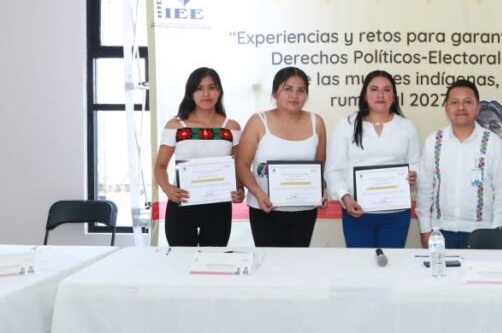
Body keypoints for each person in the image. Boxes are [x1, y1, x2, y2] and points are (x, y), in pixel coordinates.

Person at [325, 70, 420, 248]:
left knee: (392, 262)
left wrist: (415, 175)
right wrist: (345, 198)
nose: (380, 95)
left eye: (386, 90)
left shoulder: (406, 127)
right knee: (360, 264)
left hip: (396, 214)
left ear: (394, 96)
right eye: (374, 89)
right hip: (357, 211)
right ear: (365, 95)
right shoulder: (346, 125)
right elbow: (333, 170)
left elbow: (416, 163)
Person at [235, 67, 327, 247]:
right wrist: (258, 194)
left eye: (301, 90)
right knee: (269, 262)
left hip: (305, 210)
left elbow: (320, 165)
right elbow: (242, 165)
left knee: (297, 261)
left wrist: (322, 188)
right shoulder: (258, 121)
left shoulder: (317, 122)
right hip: (265, 209)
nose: (294, 95)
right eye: (288, 89)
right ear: (275, 92)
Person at [154, 67, 244, 247]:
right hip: (181, 203)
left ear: (219, 91)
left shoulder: (231, 127)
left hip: (218, 206)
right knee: (181, 260)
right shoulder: (175, 125)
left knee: (213, 260)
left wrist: (240, 189)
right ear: (190, 92)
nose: (206, 94)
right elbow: (160, 166)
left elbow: (238, 166)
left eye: (212, 87)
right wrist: (167, 188)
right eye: (199, 88)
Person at [416, 80, 502, 249]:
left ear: (478, 107)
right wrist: (425, 229)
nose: (461, 107)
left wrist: (496, 231)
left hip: (482, 233)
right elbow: (424, 189)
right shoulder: (434, 141)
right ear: (446, 108)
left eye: (467, 102)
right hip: (441, 231)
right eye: (454, 102)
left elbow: (501, 191)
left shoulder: (493, 142)